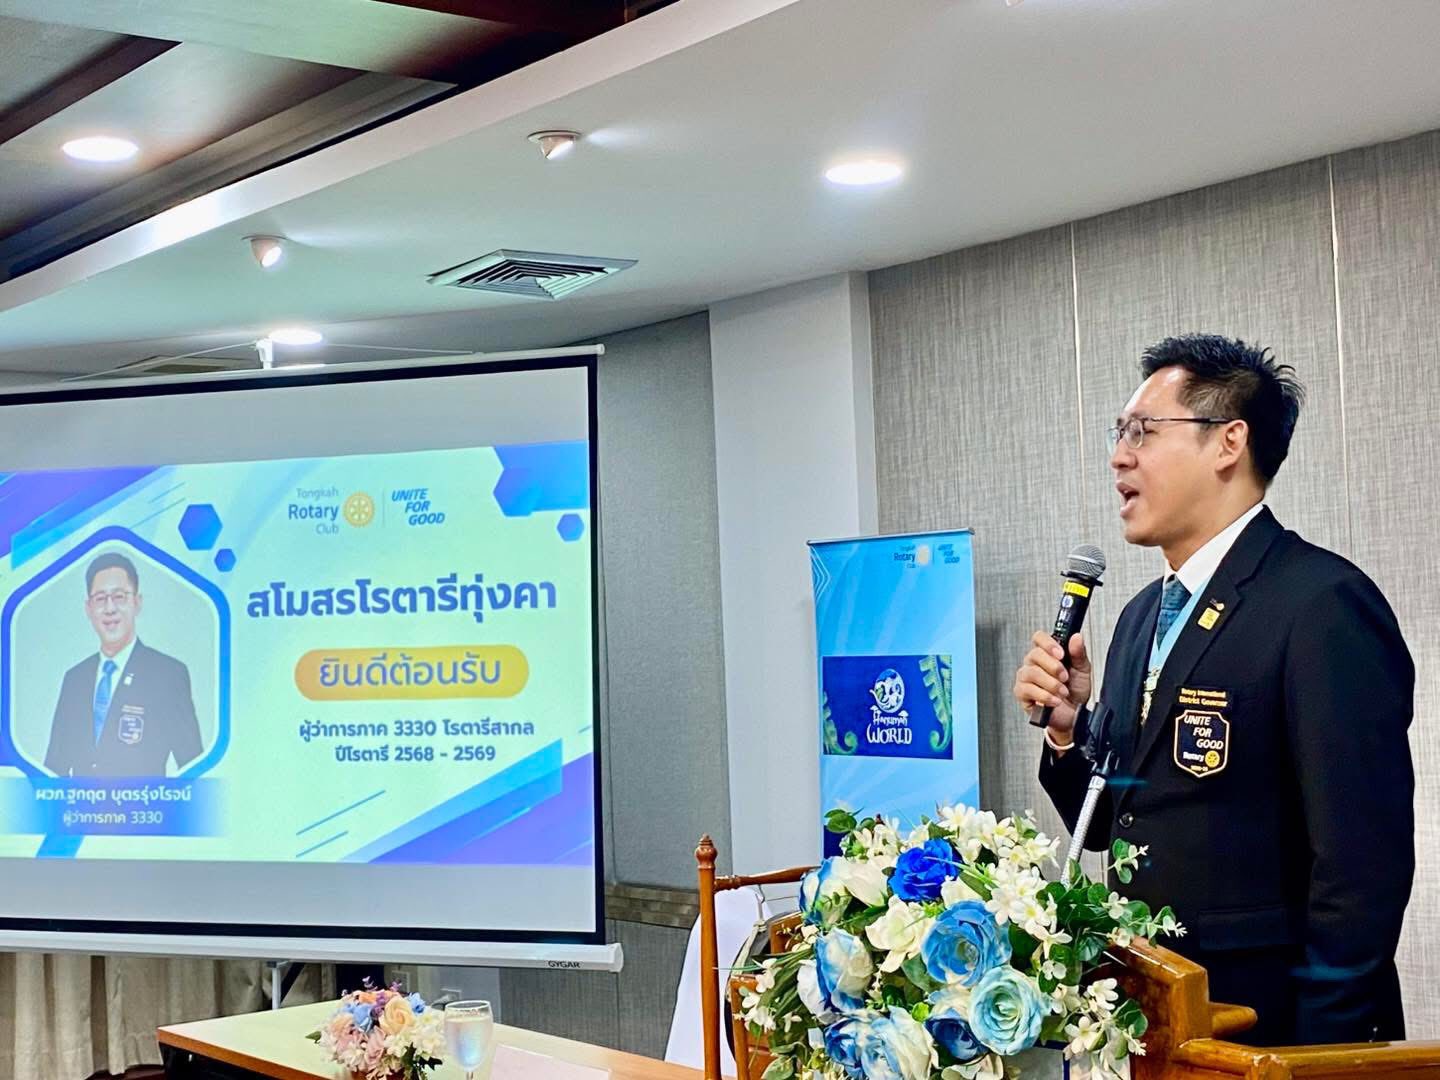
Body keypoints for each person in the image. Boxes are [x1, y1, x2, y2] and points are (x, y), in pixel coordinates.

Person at [1012, 335, 1414, 1046]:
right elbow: (1111, 827)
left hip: (1271, 1029)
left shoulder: (1321, 603)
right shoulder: (1141, 616)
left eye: (1142, 431)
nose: (1119, 457)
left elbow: (1361, 868)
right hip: (1156, 1019)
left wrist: (1324, 1052)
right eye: (1118, 434)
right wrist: (1070, 731)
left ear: (1229, 441)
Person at [43, 551, 203, 778]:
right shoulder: (75, 679)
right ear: (88, 608)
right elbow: (53, 770)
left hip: (143, 801)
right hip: (81, 802)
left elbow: (193, 768)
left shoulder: (168, 674)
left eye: (119, 597)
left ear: (137, 603)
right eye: (100, 599)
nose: (110, 608)